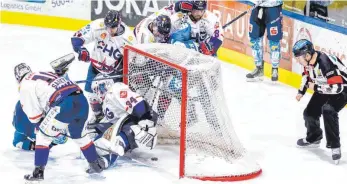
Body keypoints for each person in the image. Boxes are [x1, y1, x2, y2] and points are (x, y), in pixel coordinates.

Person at [15, 62, 105, 181]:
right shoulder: (43, 73)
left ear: (17, 78)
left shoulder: (25, 85)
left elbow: (33, 113)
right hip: (81, 99)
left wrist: (41, 124)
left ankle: (38, 173)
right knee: (80, 136)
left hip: (65, 104)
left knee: (42, 136)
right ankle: (95, 164)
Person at [71, 10, 137, 123]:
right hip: (95, 67)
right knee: (91, 94)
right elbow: (76, 38)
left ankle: (114, 119)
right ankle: (98, 116)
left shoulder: (129, 40)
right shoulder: (98, 25)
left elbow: (134, 62)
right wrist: (81, 50)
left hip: (114, 73)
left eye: (112, 28)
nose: (109, 30)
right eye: (107, 27)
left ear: (119, 24)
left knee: (111, 98)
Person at [86, 73, 158, 168]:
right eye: (96, 90)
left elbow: (136, 102)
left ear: (107, 83)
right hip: (123, 127)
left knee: (114, 143)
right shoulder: (106, 103)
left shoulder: (115, 88)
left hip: (139, 126)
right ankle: (100, 157)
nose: (98, 92)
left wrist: (146, 119)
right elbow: (111, 122)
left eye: (100, 88)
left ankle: (104, 162)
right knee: (95, 143)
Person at [293, 39, 347, 164]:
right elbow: (306, 76)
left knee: (329, 110)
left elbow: (337, 87)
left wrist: (316, 88)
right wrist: (301, 91)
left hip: (343, 89)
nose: (297, 60)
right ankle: (314, 137)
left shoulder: (324, 63)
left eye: (298, 57)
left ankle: (335, 147)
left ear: (307, 55)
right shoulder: (308, 62)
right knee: (309, 112)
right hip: (326, 87)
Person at [246, 0, 283, 82]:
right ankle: (258, 68)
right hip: (256, 6)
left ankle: (275, 68)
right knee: (254, 38)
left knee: (274, 39)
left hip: (273, 7)